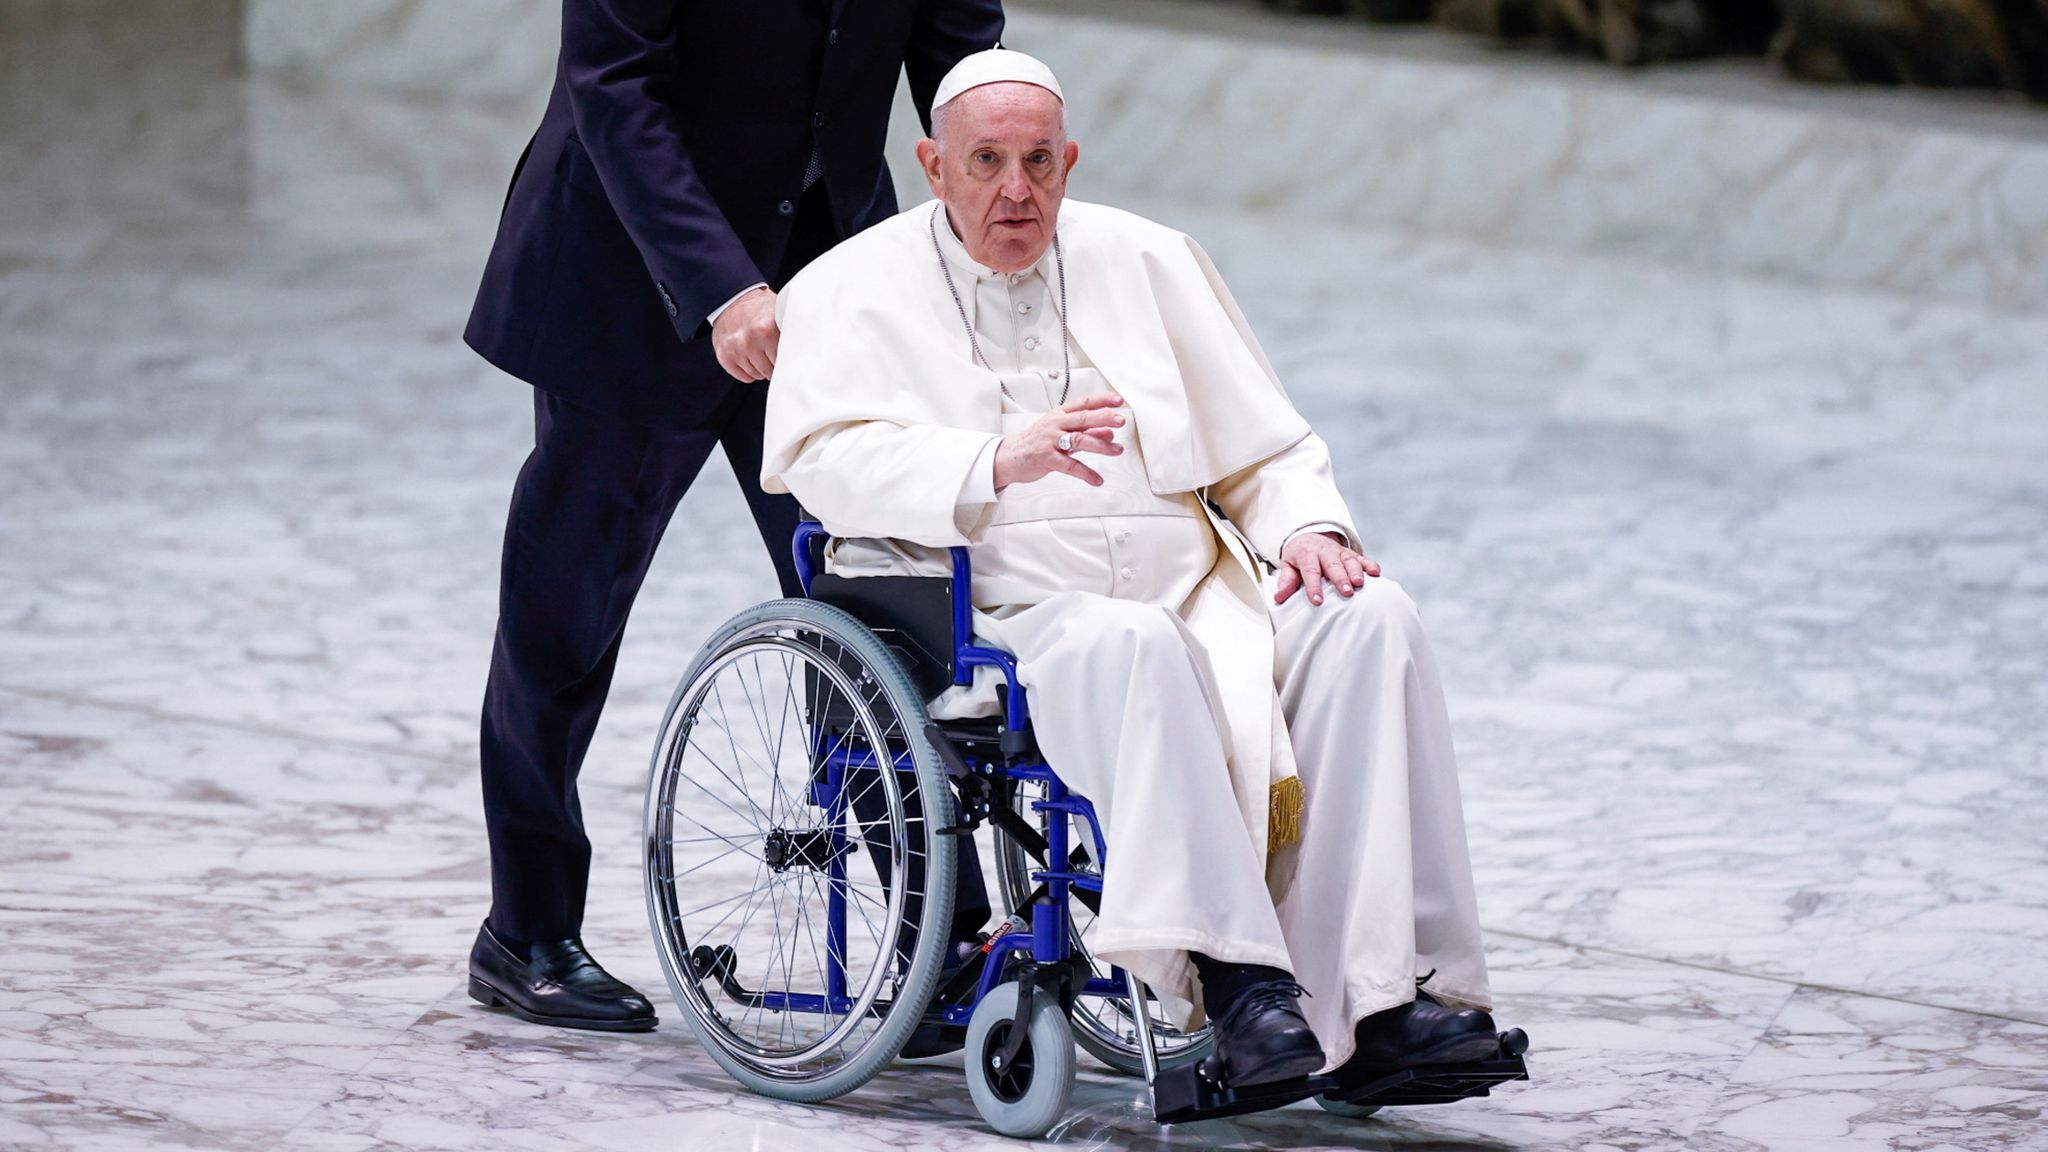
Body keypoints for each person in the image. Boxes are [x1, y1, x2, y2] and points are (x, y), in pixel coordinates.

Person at [761, 49, 1502, 1086]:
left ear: (1068, 161)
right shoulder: (849, 286)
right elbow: (819, 462)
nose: (1016, 191)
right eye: (986, 162)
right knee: (1136, 644)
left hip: (1198, 591)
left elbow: (1265, 445)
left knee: (1369, 616)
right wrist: (988, 460)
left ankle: (1382, 1000)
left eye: (1038, 162)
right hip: (1008, 614)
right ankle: (1241, 987)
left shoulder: (1150, 259)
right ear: (933, 167)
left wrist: (1306, 528)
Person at [460, 0, 1005, 1033]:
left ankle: (940, 937)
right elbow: (614, 88)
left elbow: (969, 66)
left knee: (872, 597)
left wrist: (1015, 201)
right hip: (633, 273)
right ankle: (524, 930)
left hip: (825, 277)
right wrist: (721, 287)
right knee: (566, 616)